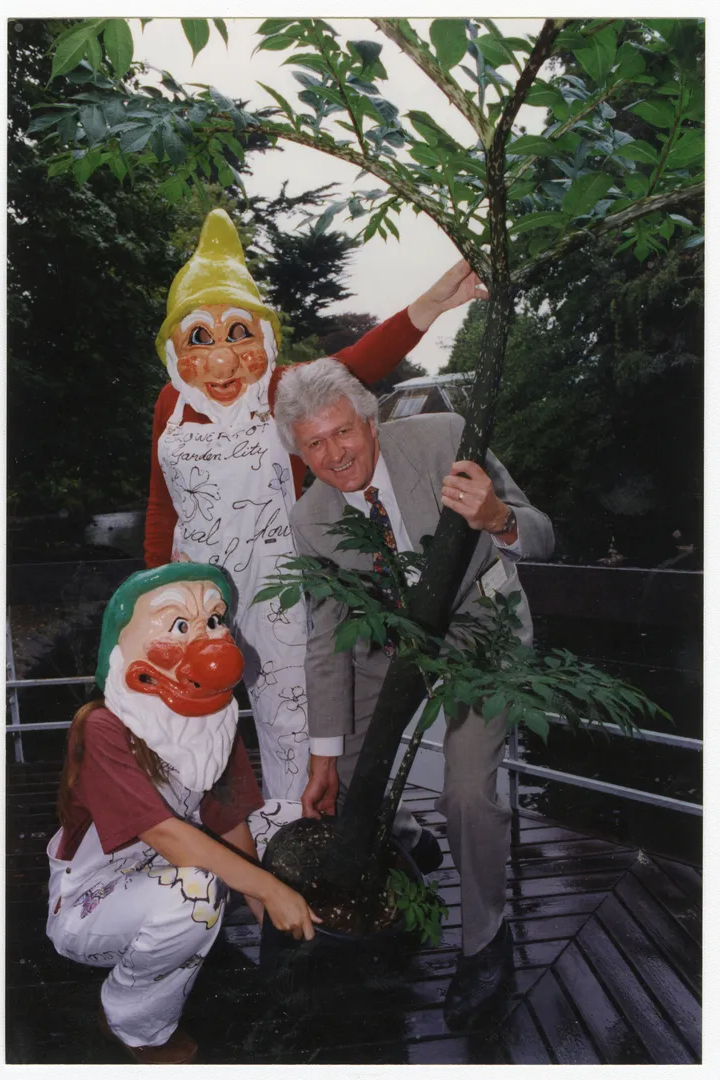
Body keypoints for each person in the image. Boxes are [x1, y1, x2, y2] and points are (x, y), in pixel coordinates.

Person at [144, 207, 488, 849]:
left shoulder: (282, 387)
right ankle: (204, 863)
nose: (221, 360)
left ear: (265, 337)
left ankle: (308, 849)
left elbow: (359, 364)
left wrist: (434, 304)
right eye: (200, 339)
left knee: (296, 732)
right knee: (192, 733)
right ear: (175, 347)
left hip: (282, 598)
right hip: (195, 601)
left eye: (237, 333)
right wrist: (150, 595)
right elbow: (163, 506)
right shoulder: (172, 404)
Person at [274, 358, 555, 1030]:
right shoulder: (311, 518)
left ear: (368, 420)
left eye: (342, 432)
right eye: (314, 444)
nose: (335, 455)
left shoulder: (444, 438)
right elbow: (326, 637)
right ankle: (411, 841)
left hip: (481, 627)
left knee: (465, 790)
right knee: (343, 767)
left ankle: (485, 941)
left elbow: (542, 535)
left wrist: (497, 518)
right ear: (298, 453)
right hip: (397, 637)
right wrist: (319, 758)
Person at [46, 564, 320, 1064]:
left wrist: (262, 910)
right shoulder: (102, 728)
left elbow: (230, 818)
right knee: (195, 888)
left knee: (286, 821)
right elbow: (167, 835)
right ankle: (131, 1017)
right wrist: (268, 889)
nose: (208, 641)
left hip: (162, 865)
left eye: (214, 621)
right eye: (178, 625)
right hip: (91, 902)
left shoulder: (212, 721)